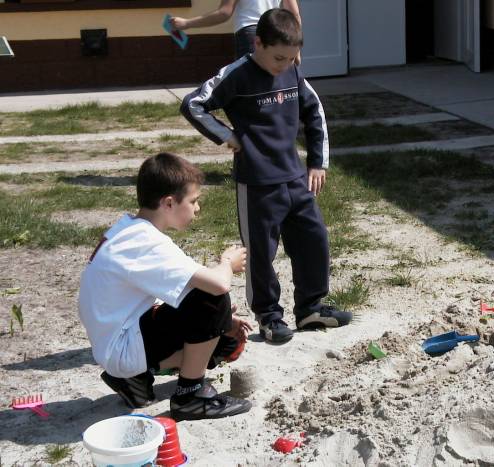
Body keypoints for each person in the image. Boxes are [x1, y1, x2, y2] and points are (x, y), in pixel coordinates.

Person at [180, 8, 351, 344]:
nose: (284, 65)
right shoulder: (237, 74)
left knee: (314, 238)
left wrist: (318, 162)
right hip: (257, 182)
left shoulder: (292, 72)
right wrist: (226, 135)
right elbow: (193, 104)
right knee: (260, 252)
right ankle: (269, 317)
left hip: (295, 178)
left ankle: (310, 307)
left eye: (291, 58)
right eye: (278, 58)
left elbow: (314, 111)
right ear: (257, 43)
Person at [78, 152, 254, 421]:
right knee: (211, 298)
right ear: (169, 203)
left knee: (222, 336)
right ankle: (190, 396)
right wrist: (228, 262)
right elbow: (218, 284)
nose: (197, 209)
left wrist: (219, 324)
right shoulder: (145, 242)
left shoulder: (130, 229)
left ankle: (137, 377)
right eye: (193, 201)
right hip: (121, 348)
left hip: (115, 340)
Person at [169, 0, 302, 62]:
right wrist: (296, 50)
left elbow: (224, 13)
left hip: (250, 36)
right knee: (274, 89)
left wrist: (186, 23)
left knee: (250, 89)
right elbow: (294, 14)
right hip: (274, 33)